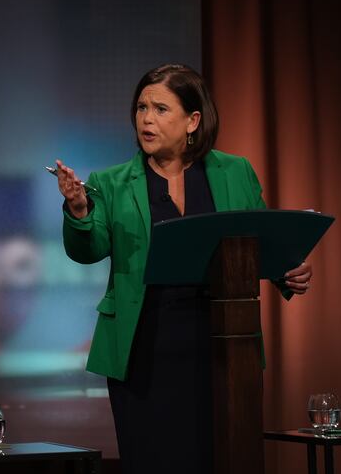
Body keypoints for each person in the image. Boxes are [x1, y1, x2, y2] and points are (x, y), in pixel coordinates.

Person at [56, 64, 311, 473]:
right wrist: (80, 208)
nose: (146, 119)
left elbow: (260, 241)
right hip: (143, 348)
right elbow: (88, 250)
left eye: (160, 108)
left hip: (225, 346)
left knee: (224, 458)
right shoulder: (111, 182)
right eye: (141, 108)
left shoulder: (234, 171)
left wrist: (286, 270)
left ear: (193, 120)